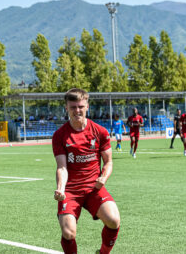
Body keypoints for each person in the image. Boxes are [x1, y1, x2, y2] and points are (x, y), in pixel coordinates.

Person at [52, 88, 120, 254]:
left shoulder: (100, 132)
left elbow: (108, 162)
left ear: (87, 106)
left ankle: (103, 252)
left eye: (80, 106)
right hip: (71, 191)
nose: (77, 110)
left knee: (114, 220)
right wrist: (61, 188)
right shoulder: (60, 135)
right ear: (66, 108)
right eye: (73, 107)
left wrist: (104, 177)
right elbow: (62, 167)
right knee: (68, 233)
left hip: (93, 188)